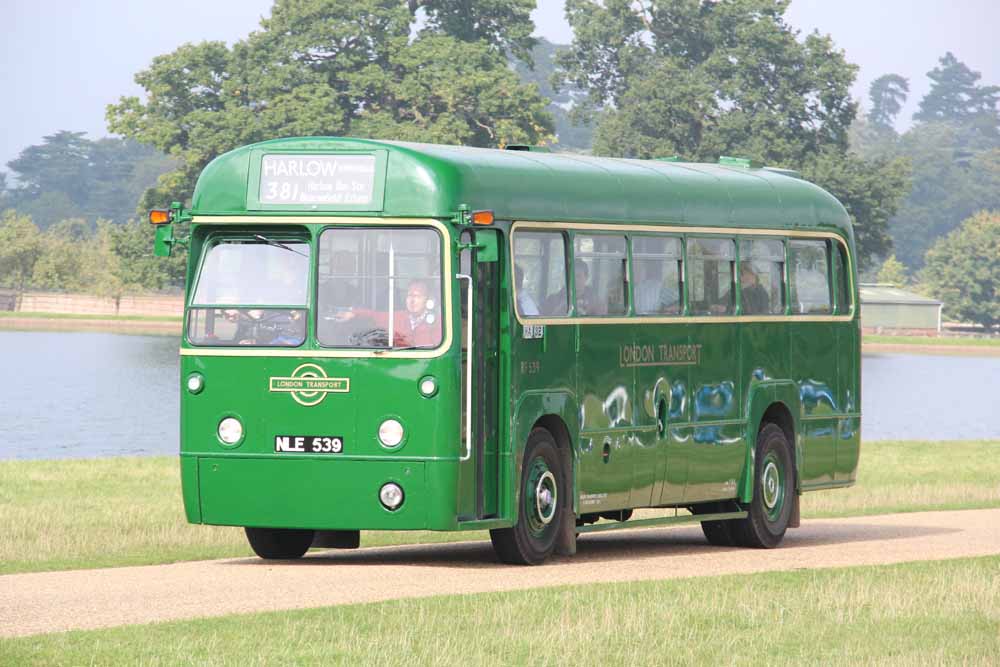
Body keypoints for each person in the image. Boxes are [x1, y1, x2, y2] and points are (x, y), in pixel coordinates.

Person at [336, 279, 441, 347]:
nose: (412, 300)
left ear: (428, 300)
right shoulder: (396, 316)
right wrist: (353, 313)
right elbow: (374, 315)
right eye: (409, 296)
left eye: (417, 296)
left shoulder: (438, 322)